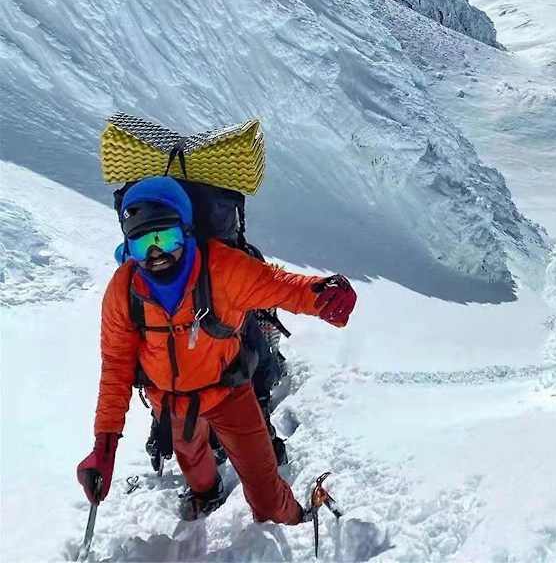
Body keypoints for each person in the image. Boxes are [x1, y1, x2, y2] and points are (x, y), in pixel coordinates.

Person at [76, 177, 357, 523]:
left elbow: (277, 285)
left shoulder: (220, 270)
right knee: (194, 466)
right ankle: (207, 494)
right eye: (142, 244)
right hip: (173, 402)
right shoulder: (123, 292)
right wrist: (103, 448)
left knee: (267, 497)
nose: (156, 254)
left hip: (228, 391)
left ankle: (294, 519)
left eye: (165, 238)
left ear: (187, 231)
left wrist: (322, 295)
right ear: (128, 246)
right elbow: (116, 368)